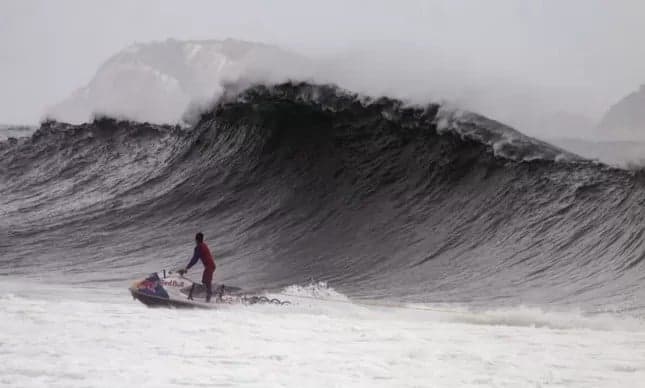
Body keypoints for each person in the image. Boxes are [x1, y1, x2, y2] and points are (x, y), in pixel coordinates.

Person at [179, 232, 216, 302]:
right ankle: (208, 297)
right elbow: (195, 259)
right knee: (205, 282)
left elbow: (194, 259)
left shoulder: (199, 247)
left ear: (196, 240)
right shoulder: (204, 245)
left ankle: (208, 300)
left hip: (209, 267)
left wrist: (186, 268)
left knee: (206, 282)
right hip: (211, 266)